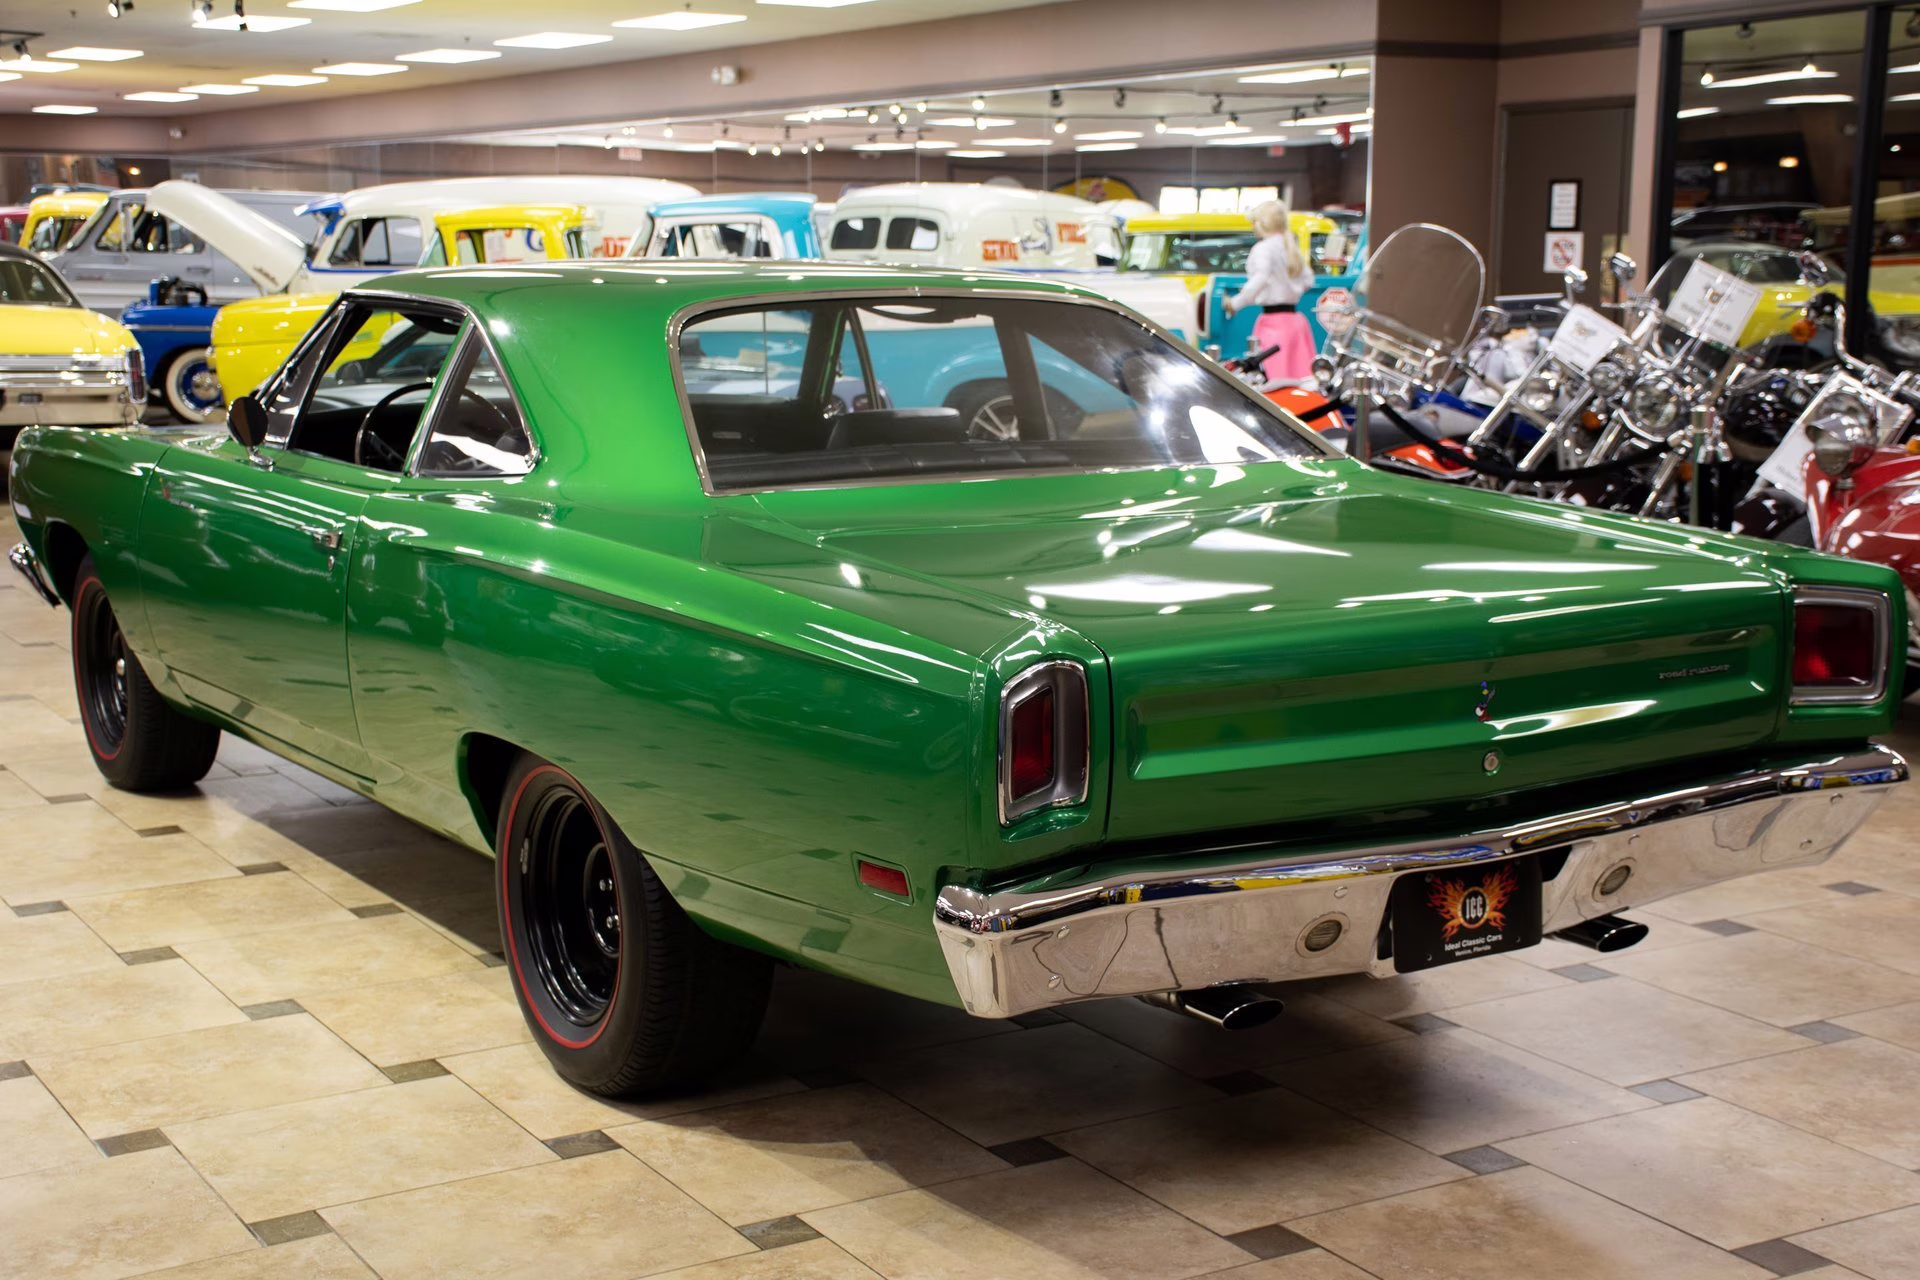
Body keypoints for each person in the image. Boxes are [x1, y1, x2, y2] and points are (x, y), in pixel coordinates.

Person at [1223, 200, 1317, 383]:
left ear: (1261, 223)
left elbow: (1260, 278)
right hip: (1296, 323)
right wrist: (1290, 290)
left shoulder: (1263, 248)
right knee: (1301, 381)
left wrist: (1236, 303)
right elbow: (1308, 280)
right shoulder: (1290, 247)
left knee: (1275, 381)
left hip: (1273, 326)